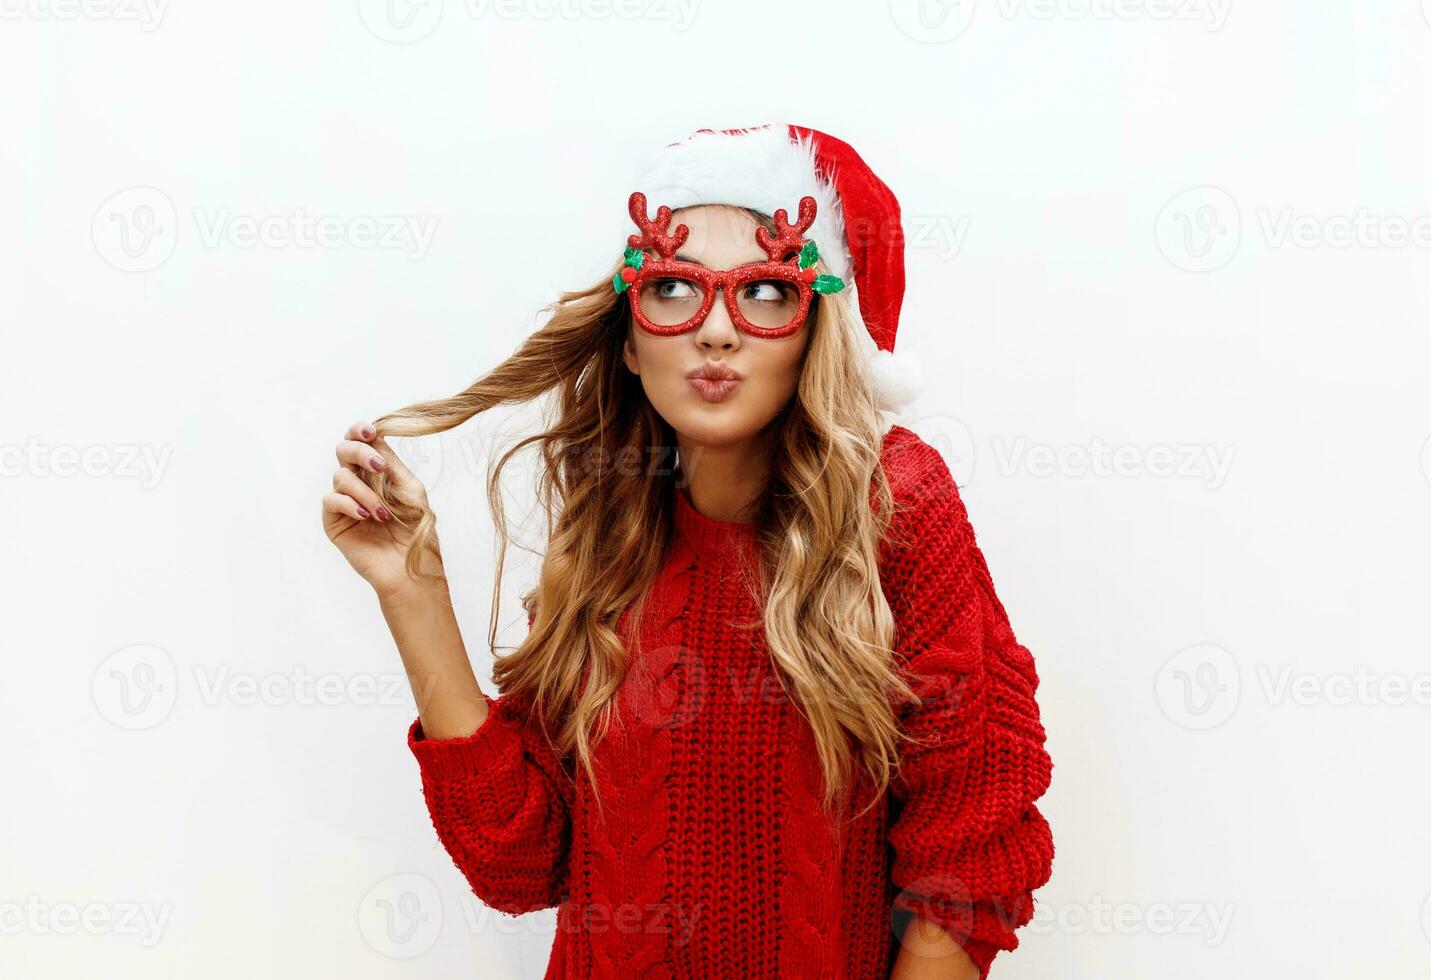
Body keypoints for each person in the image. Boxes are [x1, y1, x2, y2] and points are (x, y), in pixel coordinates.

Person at [321, 123, 1054, 979]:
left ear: (818, 331)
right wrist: (412, 589)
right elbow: (519, 866)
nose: (715, 331)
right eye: (672, 287)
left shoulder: (892, 504)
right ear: (629, 342)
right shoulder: (605, 535)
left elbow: (969, 854)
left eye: (767, 292)